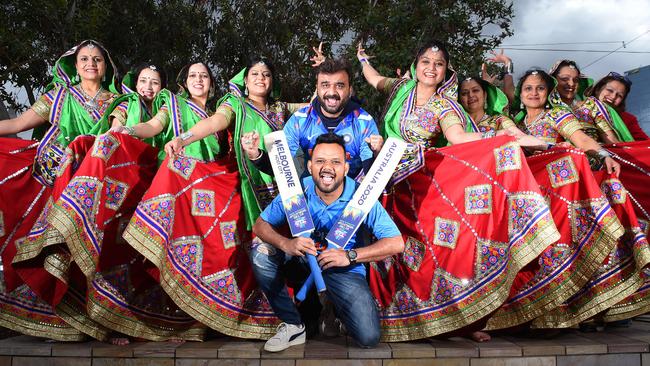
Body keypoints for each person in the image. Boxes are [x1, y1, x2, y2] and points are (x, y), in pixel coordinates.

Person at [357, 40, 560, 342]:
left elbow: (458, 137)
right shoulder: (401, 89)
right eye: (426, 61)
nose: (431, 68)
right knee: (375, 245)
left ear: (445, 72)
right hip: (382, 177)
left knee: (426, 250)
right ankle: (375, 315)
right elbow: (373, 79)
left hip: (416, 183)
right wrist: (361, 59)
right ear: (417, 64)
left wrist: (500, 136)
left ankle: (452, 319)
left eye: (438, 65)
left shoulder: (445, 104)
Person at [124, 58, 304, 339]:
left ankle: (300, 316)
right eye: (254, 73)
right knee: (250, 252)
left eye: (266, 74)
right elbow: (214, 123)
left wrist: (324, 75)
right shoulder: (233, 104)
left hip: (283, 187)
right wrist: (182, 138)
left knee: (296, 252)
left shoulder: (281, 109)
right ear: (245, 81)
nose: (260, 78)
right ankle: (243, 315)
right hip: (248, 186)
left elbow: (314, 105)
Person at [47, 63, 204, 343]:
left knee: (148, 257)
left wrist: (136, 130)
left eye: (154, 82)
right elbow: (118, 128)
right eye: (143, 80)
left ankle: (156, 323)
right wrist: (125, 130)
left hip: (154, 182)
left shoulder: (170, 106)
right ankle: (107, 324)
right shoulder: (126, 103)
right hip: (124, 183)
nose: (148, 86)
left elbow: (155, 126)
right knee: (113, 252)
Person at [0, 40, 119, 340]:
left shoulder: (120, 101)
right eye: (84, 59)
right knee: (61, 251)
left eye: (97, 59)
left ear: (106, 68)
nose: (91, 63)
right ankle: (61, 320)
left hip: (101, 189)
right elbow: (17, 124)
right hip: (61, 187)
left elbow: (120, 137)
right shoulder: (58, 97)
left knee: (98, 254)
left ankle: (102, 319)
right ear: (75, 66)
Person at [250, 132, 404, 351]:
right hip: (303, 262)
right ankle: (294, 324)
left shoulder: (361, 195)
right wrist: (286, 244)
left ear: (345, 168)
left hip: (342, 269)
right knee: (260, 251)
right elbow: (260, 225)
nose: (327, 167)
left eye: (335, 162)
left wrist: (350, 256)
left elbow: (396, 242)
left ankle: (335, 308)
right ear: (311, 166)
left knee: (368, 337)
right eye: (320, 161)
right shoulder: (297, 189)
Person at [245, 58, 384, 181]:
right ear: (317, 88)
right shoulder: (300, 120)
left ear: (350, 89)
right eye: (325, 85)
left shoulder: (364, 121)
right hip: (310, 202)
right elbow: (282, 169)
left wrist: (378, 154)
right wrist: (255, 154)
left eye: (340, 85)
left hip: (350, 201)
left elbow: (371, 177)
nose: (332, 92)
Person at [549, 60, 629, 143]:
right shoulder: (545, 109)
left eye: (576, 80)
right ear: (553, 80)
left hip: (598, 153)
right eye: (565, 79)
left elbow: (610, 138)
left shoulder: (591, 105)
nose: (571, 84)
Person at [589, 72, 649, 141]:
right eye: (610, 90)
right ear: (598, 89)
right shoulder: (581, 108)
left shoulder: (628, 119)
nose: (613, 97)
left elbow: (645, 142)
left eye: (619, 95)